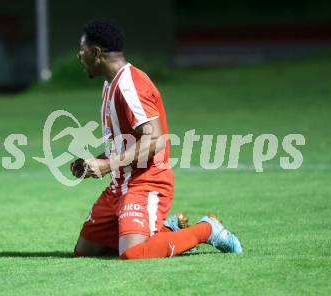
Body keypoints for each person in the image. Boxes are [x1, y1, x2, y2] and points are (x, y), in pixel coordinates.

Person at [72, 19, 242, 259]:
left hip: (146, 182)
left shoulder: (130, 85)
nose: (79, 56)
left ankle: (207, 230)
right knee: (85, 251)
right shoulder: (110, 85)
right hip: (119, 185)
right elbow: (126, 145)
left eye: (81, 51)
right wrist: (94, 163)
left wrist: (107, 165)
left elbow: (155, 141)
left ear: (96, 53)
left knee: (132, 254)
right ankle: (167, 230)